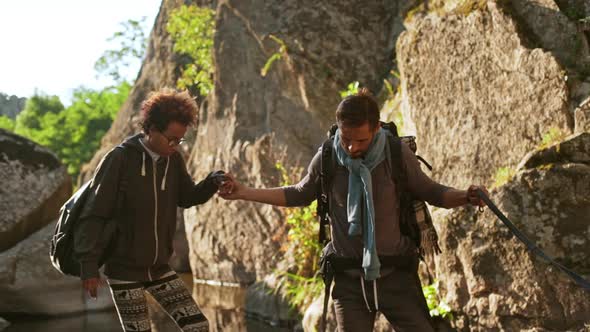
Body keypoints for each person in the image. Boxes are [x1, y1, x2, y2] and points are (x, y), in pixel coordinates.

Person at [219, 88, 489, 331]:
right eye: (346, 138)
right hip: (348, 283)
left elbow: (431, 192)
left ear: (375, 129)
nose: (351, 147)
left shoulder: (395, 154)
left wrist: (466, 196)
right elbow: (299, 193)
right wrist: (244, 192)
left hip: (396, 276)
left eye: (361, 141)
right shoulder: (328, 156)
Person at [74, 89, 226, 332]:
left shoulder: (173, 159)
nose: (175, 145)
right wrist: (88, 266)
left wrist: (212, 181)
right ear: (152, 129)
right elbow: (95, 212)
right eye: (171, 139)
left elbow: (187, 197)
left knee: (197, 325)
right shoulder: (119, 159)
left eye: (180, 140)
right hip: (124, 268)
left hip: (158, 267)